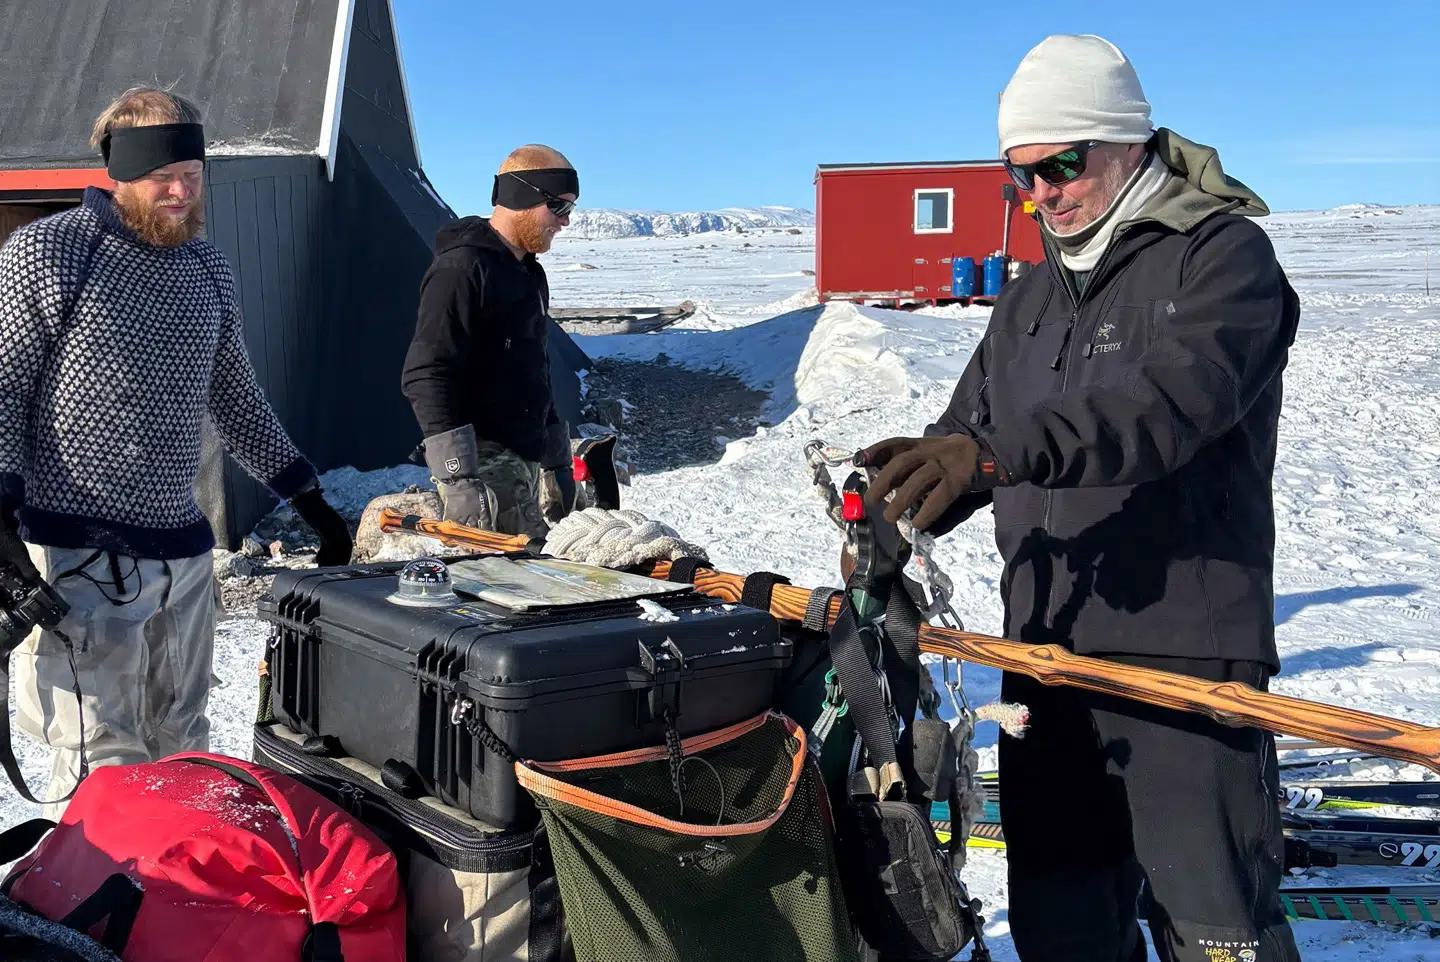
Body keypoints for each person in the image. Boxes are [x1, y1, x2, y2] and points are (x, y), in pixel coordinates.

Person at [858, 35, 1302, 962]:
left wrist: (986, 457)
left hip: (1183, 663)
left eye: (1061, 163)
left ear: (1127, 141)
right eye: (1020, 175)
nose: (1043, 193)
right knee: (1066, 928)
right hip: (1047, 660)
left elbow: (1166, 409)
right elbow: (970, 437)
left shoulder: (1223, 260)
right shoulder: (1026, 299)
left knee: (1215, 931)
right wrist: (907, 498)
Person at [0, 87, 352, 818]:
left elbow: (237, 398)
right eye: (162, 175)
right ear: (119, 171)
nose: (181, 189)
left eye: (192, 173)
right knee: (106, 757)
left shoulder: (206, 269)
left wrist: (308, 497)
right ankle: (103, 918)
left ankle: (180, 912)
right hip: (80, 557)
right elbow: (2, 384)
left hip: (184, 560)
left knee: (186, 739)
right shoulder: (52, 251)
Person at [401, 145, 579, 539]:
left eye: (571, 210)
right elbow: (426, 373)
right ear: (524, 196)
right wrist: (458, 479)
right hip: (484, 469)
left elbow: (534, 370)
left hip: (523, 464)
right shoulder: (461, 270)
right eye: (560, 208)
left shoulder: (529, 274)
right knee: (522, 585)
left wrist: (556, 462)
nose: (565, 223)